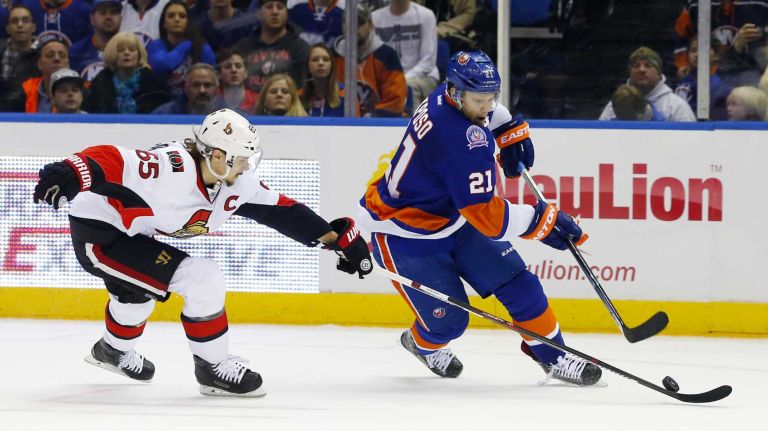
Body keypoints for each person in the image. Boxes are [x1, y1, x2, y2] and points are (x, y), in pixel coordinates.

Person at [31, 108, 372, 397]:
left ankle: (111, 350)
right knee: (202, 279)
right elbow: (114, 158)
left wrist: (336, 240)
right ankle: (213, 369)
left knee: (137, 296)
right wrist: (70, 171)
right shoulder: (170, 168)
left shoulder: (234, 181)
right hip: (101, 234)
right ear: (218, 156)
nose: (247, 167)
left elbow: (281, 210)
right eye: (242, 158)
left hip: (133, 232)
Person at [357, 51, 602, 386]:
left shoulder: (452, 98)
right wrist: (541, 220)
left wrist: (508, 127)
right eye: (480, 100)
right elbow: (488, 217)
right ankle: (421, 344)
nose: (487, 107)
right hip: (404, 233)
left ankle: (553, 356)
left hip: (453, 217)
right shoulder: (457, 138)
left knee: (520, 285)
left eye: (492, 98)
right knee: (449, 324)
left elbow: (487, 108)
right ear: (456, 93)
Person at [332, 3, 406, 117]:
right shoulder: (332, 55)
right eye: (348, 23)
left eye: (360, 23)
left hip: (377, 124)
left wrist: (371, 119)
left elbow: (395, 101)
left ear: (371, 25)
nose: (353, 28)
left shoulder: (386, 56)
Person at [234, 0, 309, 98]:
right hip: (248, 109)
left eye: (280, 7)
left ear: (286, 13)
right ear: (259, 13)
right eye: (269, 7)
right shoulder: (243, 47)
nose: (275, 12)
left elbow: (305, 87)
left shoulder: (300, 48)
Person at [599, 46, 696, 122]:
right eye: (636, 66)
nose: (642, 70)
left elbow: (690, 141)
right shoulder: (613, 106)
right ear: (630, 72)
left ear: (658, 73)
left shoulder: (676, 106)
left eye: (648, 65)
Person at [372, 0, 440, 109]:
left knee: (408, 87)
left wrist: (400, 79)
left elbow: (428, 62)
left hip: (423, 77)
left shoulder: (426, 16)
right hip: (388, 78)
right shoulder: (375, 18)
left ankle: (413, 124)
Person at [84, 32, 170, 114]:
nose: (127, 53)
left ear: (139, 55)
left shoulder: (153, 83)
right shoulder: (101, 82)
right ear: (113, 54)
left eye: (132, 50)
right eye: (121, 50)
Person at [148, 0, 217, 96]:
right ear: (164, 23)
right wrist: (187, 43)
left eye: (182, 16)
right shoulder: (156, 45)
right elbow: (163, 64)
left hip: (196, 100)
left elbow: (212, 72)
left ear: (188, 22)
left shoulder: (200, 45)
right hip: (164, 101)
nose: (177, 19)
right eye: (171, 16)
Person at [673, 37, 732, 120]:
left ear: (717, 55)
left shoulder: (720, 84)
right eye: (693, 51)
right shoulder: (685, 79)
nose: (696, 54)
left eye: (702, 50)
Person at [6, 38, 70, 113]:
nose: (57, 59)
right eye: (50, 55)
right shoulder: (25, 91)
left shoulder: (81, 92)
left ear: (68, 63)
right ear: (39, 64)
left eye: (62, 55)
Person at [69, 0, 122, 84]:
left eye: (113, 12)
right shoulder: (76, 52)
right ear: (92, 19)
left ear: (121, 18)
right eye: (102, 13)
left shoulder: (130, 49)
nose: (108, 17)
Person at [152, 62, 224, 114]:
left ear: (217, 89)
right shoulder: (162, 114)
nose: (202, 90)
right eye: (196, 85)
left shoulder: (231, 118)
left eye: (207, 85)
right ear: (185, 88)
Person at [299, 43, 346, 117]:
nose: (321, 63)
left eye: (326, 59)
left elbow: (356, 126)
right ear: (307, 66)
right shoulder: (298, 97)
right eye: (315, 60)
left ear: (332, 66)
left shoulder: (345, 94)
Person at [216, 47, 257, 112]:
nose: (234, 70)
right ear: (219, 74)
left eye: (238, 66)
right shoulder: (213, 99)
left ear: (246, 72)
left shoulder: (257, 100)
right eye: (228, 67)